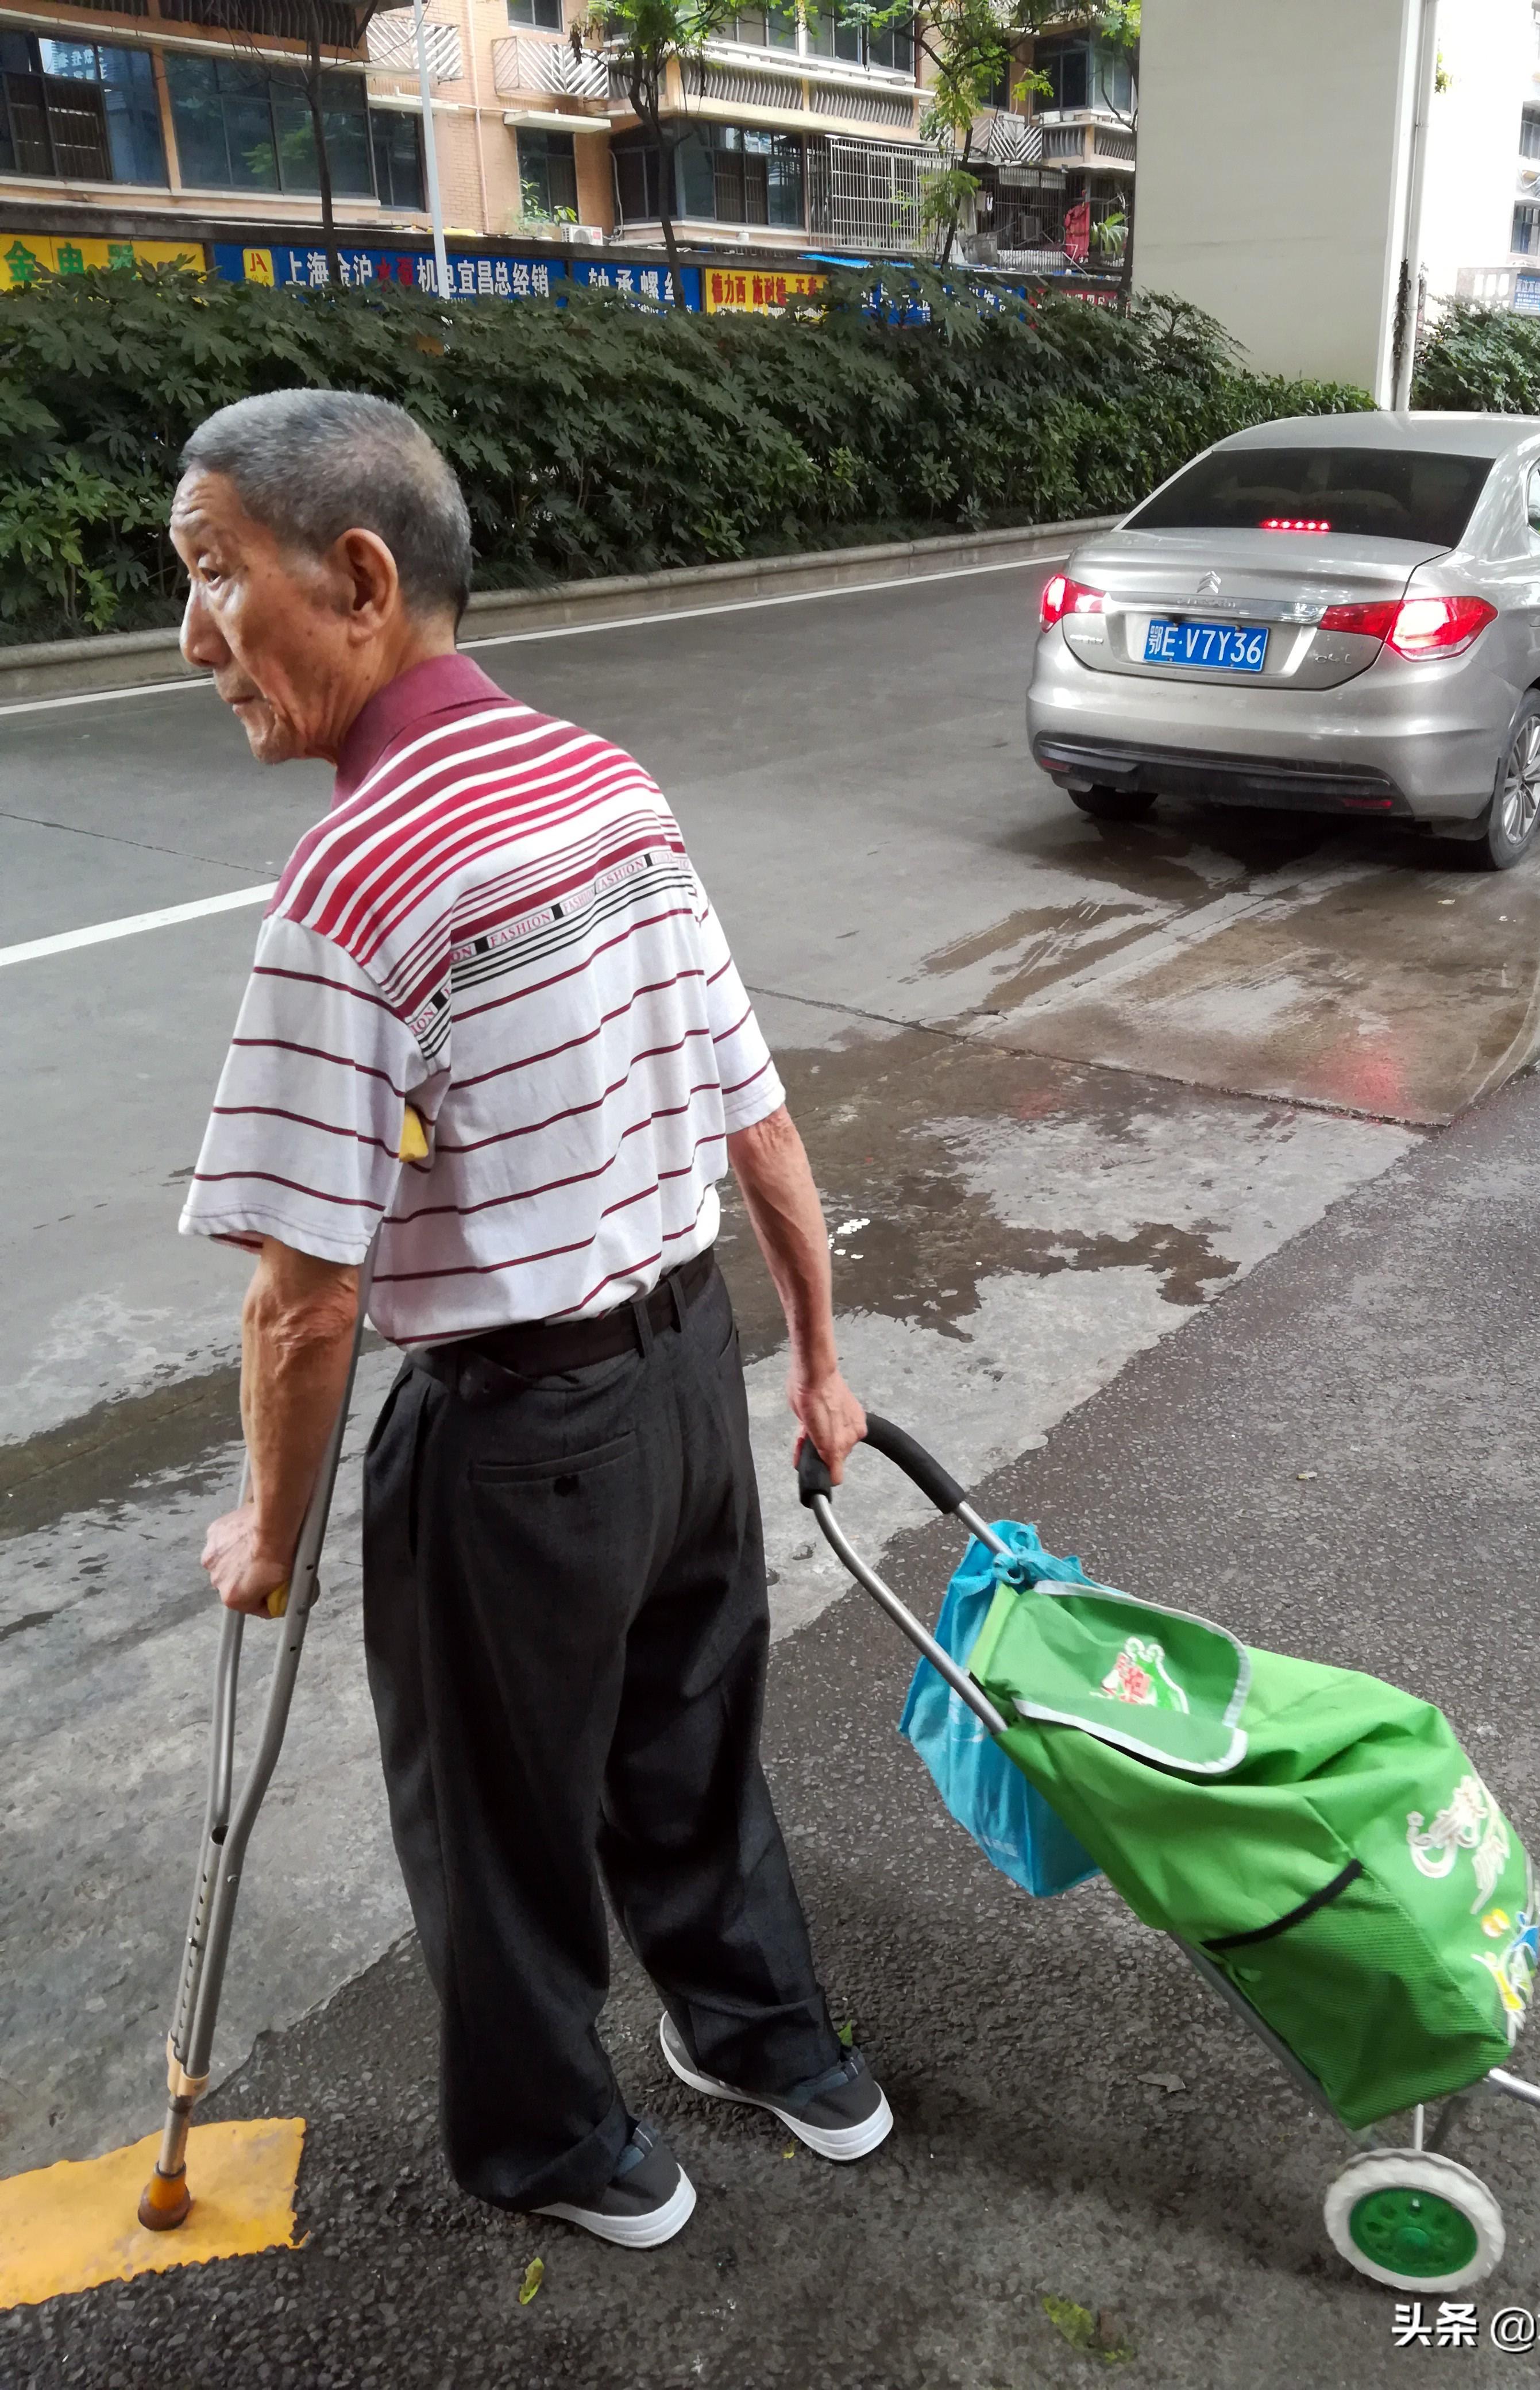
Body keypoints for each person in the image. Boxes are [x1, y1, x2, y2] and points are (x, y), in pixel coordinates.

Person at [173, 387, 887, 2249]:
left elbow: (305, 1303)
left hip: (517, 1444)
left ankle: (570, 2148)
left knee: (495, 1831)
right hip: (684, 1385)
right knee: (689, 1739)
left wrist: (266, 1529)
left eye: (212, 580)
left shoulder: (354, 884)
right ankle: (773, 2043)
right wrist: (812, 1358)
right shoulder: (608, 787)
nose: (195, 640)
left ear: (356, 578)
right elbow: (761, 1115)